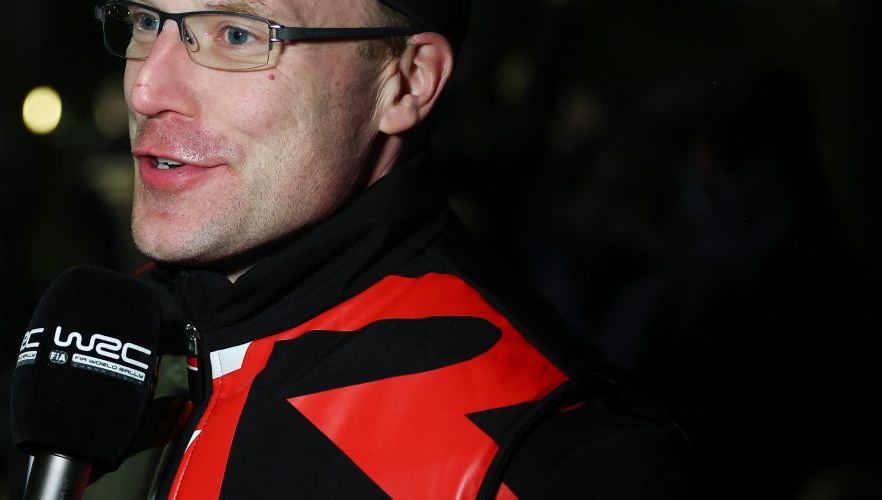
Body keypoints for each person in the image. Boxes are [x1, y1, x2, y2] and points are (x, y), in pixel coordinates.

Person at [81, 0, 702, 498]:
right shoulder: (92, 339)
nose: (145, 89)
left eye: (237, 34)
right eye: (145, 21)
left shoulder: (551, 457)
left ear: (407, 81)